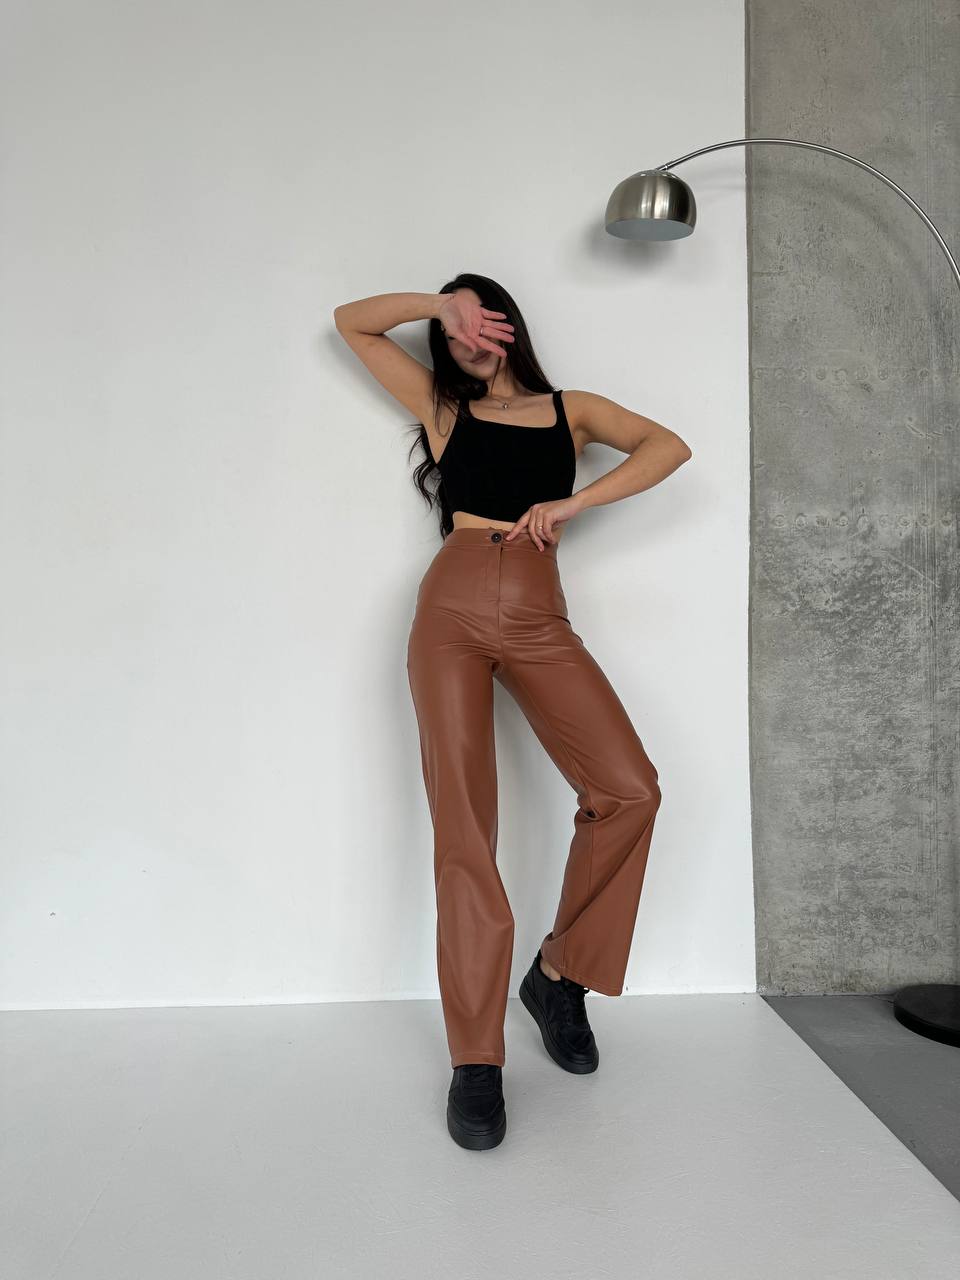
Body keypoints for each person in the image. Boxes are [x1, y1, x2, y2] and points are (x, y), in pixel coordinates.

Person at [333, 273, 692, 1150]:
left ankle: (558, 976)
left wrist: (574, 502)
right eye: (453, 328)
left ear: (508, 325)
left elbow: (669, 446)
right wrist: (435, 305)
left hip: (537, 610)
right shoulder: (442, 410)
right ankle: (476, 1059)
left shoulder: (572, 411)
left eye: (478, 318)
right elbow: (351, 324)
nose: (464, 337)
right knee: (466, 830)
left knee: (629, 790)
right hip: (450, 610)